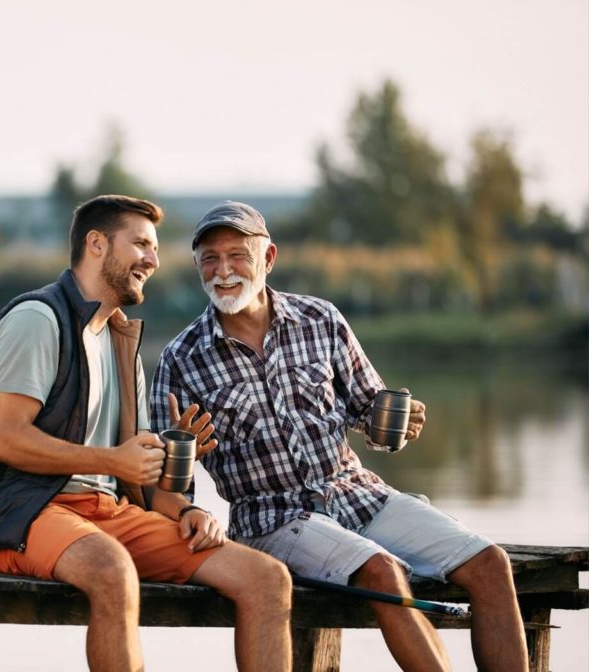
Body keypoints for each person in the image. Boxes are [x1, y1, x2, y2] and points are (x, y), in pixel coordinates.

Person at [150, 201, 529, 672]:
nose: (223, 271)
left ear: (268, 259)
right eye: (210, 258)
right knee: (382, 572)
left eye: (237, 256)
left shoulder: (321, 320)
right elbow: (166, 490)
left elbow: (369, 407)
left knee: (492, 564)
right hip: (274, 519)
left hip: (359, 496)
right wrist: (182, 457)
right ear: (196, 267)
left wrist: (395, 421)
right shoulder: (180, 360)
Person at [0, 195, 292, 672]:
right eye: (141, 244)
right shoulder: (37, 319)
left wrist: (185, 507)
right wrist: (110, 461)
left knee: (266, 578)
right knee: (113, 570)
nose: (154, 260)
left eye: (156, 248)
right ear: (97, 244)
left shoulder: (122, 339)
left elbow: (137, 471)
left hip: (108, 513)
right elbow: (6, 439)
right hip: (22, 513)